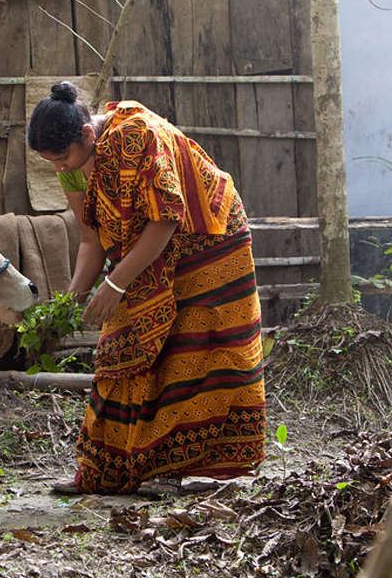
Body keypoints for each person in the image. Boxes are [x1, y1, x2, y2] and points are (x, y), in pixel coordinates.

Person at [27, 82, 266, 496]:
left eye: (62, 157)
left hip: (208, 238)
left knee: (188, 352)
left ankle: (174, 470)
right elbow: (90, 239)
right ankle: (106, 470)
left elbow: (166, 219)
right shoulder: (70, 164)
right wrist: (72, 301)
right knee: (120, 349)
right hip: (149, 248)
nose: (60, 166)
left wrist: (116, 284)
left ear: (88, 134)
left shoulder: (137, 136)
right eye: (51, 161)